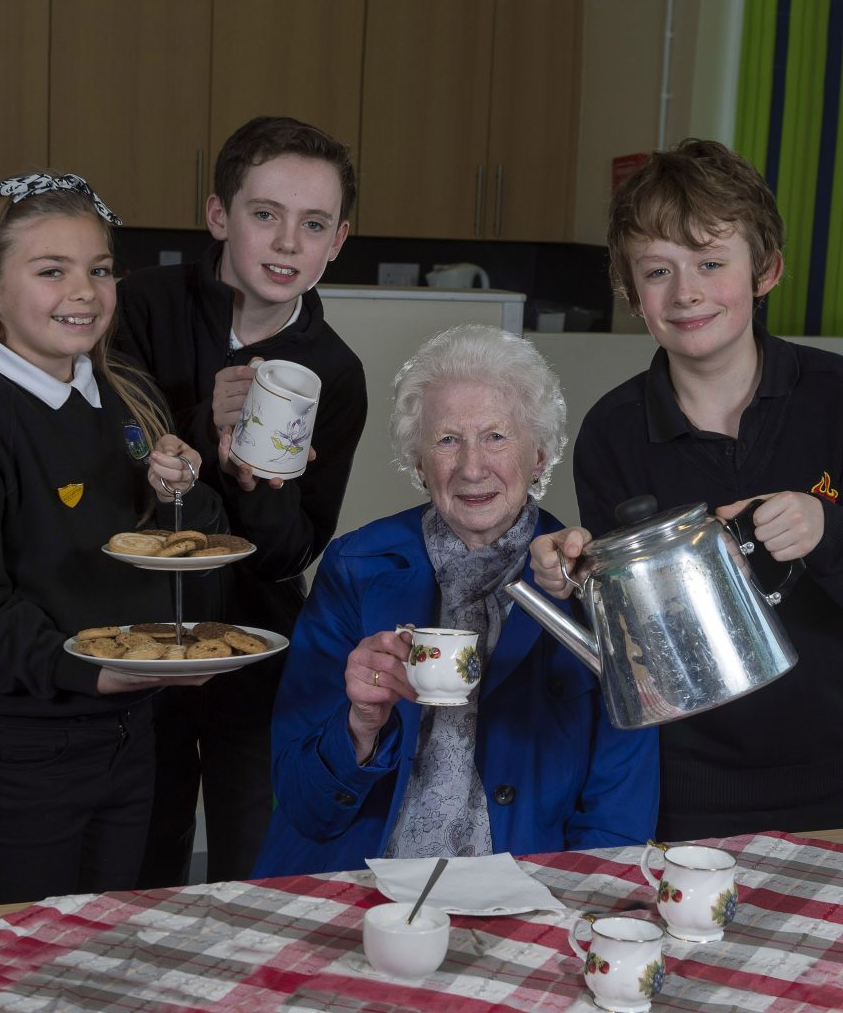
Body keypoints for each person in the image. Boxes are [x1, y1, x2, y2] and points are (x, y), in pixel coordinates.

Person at [252, 325, 658, 876]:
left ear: (539, 454)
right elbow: (302, 804)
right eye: (446, 440)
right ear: (419, 463)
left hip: (528, 884)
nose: (471, 467)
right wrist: (360, 727)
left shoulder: (590, 578)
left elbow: (620, 807)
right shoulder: (357, 566)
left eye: (496, 436)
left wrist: (570, 903)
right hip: (359, 880)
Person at [530, 139, 843, 841]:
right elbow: (633, 645)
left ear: (766, 270)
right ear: (631, 292)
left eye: (710, 263)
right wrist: (574, 575)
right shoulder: (614, 432)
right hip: (686, 794)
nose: (687, 292)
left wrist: (826, 529)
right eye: (657, 271)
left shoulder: (834, 398)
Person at [0, 172, 225, 906]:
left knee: (111, 949)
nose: (84, 291)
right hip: (23, 750)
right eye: (51, 271)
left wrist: (181, 495)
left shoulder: (128, 392)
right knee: (30, 964)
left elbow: (194, 553)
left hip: (134, 735)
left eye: (99, 270)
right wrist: (93, 670)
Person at [115, 116, 368, 885]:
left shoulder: (336, 373)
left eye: (313, 224)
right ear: (220, 216)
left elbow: (296, 549)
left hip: (256, 646)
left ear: (338, 240)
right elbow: (98, 469)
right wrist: (199, 426)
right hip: (134, 638)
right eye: (266, 215)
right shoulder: (137, 308)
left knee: (256, 867)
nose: (289, 243)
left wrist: (259, 484)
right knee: (136, 864)